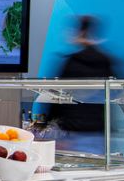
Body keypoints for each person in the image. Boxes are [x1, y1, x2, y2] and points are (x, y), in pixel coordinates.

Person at [51, 15, 118, 146]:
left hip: (72, 132)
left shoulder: (72, 62)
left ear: (81, 32)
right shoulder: (106, 61)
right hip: (98, 131)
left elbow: (56, 96)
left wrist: (51, 123)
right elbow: (116, 92)